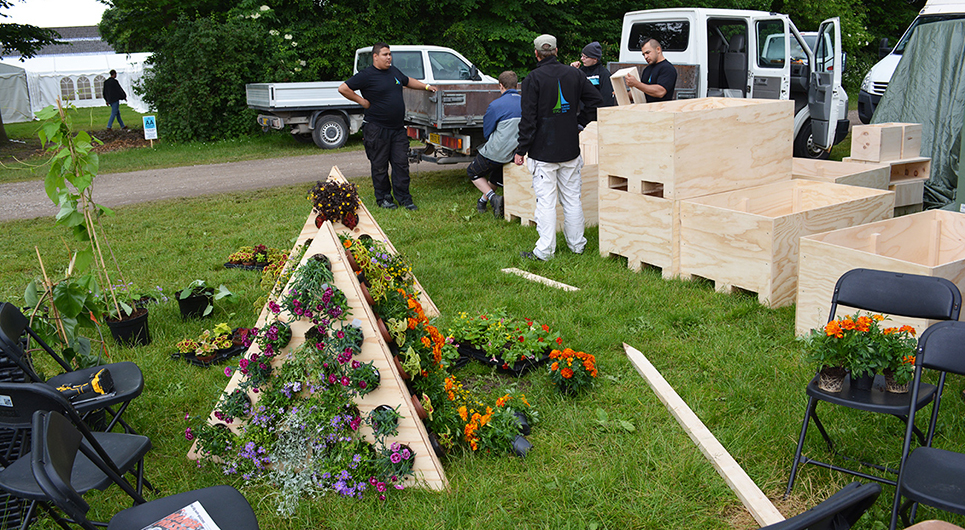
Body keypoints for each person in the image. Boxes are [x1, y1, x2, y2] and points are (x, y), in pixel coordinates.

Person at [514, 34, 603, 261]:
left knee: (546, 202)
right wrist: (578, 123)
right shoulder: (574, 74)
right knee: (572, 199)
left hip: (543, 152)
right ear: (556, 51)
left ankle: (544, 252)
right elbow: (596, 100)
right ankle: (577, 246)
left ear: (536, 54)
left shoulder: (532, 79)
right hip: (570, 149)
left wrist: (521, 150)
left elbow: (528, 119)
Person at [338, 42, 438, 210]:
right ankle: (384, 198)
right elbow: (343, 88)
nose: (389, 57)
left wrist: (426, 87)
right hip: (377, 129)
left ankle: (404, 198)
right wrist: (362, 101)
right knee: (379, 166)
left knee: (401, 164)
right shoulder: (367, 75)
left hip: (398, 129)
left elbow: (407, 81)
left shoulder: (394, 72)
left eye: (390, 54)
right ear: (375, 56)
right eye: (385, 54)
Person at [466, 70, 521, 218]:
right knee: (496, 175)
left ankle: (492, 197)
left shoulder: (495, 105)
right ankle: (482, 201)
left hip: (497, 151)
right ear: (516, 85)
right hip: (516, 152)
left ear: (501, 86)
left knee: (472, 172)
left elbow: (487, 132)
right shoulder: (526, 103)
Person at [625, 38, 677, 103]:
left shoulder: (667, 68)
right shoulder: (647, 69)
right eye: (643, 54)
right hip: (646, 111)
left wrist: (636, 84)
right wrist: (623, 94)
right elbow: (641, 92)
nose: (645, 56)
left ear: (658, 50)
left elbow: (660, 92)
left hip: (661, 111)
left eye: (647, 52)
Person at [569, 41, 615, 106]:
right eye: (582, 56)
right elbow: (570, 88)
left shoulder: (603, 74)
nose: (582, 59)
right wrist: (573, 71)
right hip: (580, 112)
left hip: (595, 112)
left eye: (585, 57)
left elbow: (606, 98)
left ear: (595, 59)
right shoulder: (581, 71)